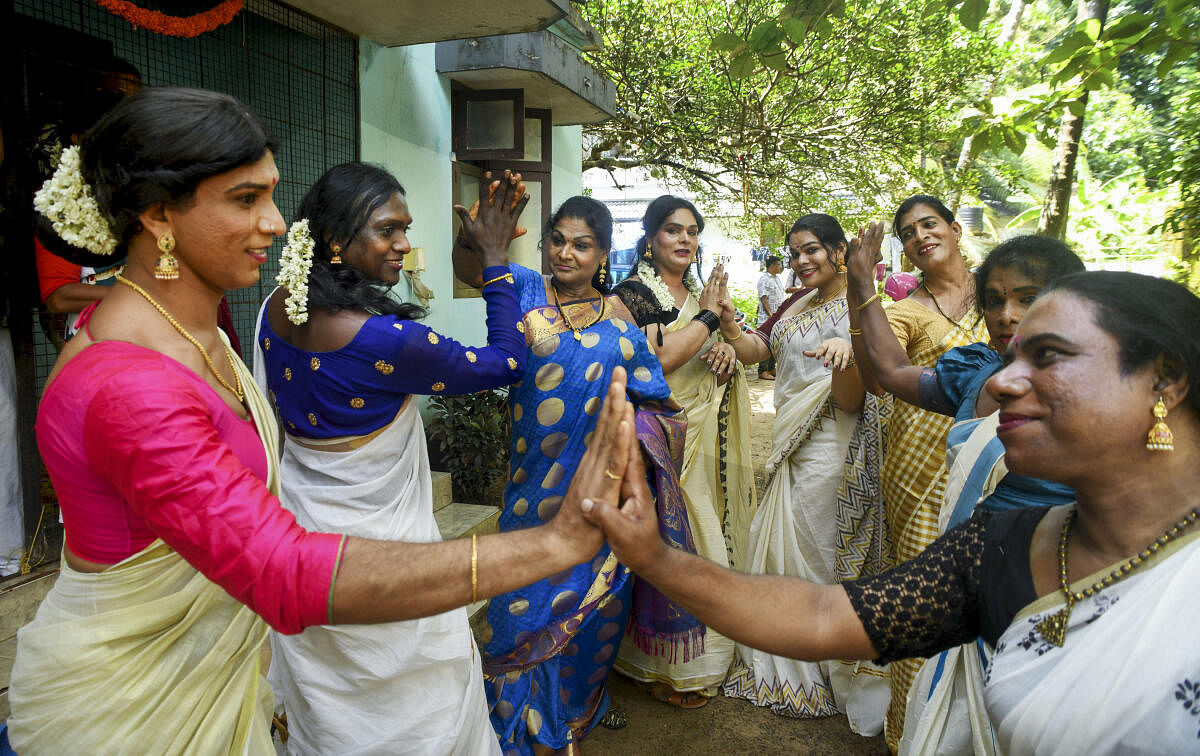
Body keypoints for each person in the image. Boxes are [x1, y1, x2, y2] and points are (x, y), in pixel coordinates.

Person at [8, 86, 639, 754]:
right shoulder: (129, 385)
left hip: (210, 677)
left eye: (273, 196)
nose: (278, 224)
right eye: (245, 199)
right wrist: (551, 544)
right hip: (139, 705)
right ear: (160, 217)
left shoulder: (214, 331)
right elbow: (282, 573)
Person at [586, 269, 1200, 755]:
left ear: (1165, 380)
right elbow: (826, 614)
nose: (1007, 383)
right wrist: (654, 557)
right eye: (1012, 357)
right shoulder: (1010, 542)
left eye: (1048, 357)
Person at [251, 162, 528, 753]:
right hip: (389, 553)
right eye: (387, 230)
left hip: (306, 538)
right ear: (334, 240)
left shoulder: (276, 307)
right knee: (419, 698)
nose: (404, 243)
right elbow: (505, 360)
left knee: (328, 696)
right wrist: (495, 260)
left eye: (405, 228)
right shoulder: (388, 341)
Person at [451, 195, 697, 753]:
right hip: (528, 497)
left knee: (592, 622)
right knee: (517, 616)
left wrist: (633, 445)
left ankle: (570, 719)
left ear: (604, 255)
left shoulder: (621, 325)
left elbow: (657, 406)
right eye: (557, 240)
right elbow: (468, 268)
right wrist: (481, 240)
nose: (566, 252)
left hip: (593, 502)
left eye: (581, 244)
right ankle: (519, 729)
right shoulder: (523, 288)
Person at [846, 230, 1085, 752]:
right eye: (995, 300)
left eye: (1027, 297)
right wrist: (861, 282)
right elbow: (889, 372)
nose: (1006, 313)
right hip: (966, 612)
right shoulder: (976, 376)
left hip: (1051, 619)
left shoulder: (1100, 397)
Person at [715, 213, 889, 730]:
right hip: (793, 452)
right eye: (794, 253)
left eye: (812, 250)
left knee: (819, 551)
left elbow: (869, 382)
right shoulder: (794, 304)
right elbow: (758, 350)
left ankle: (831, 665)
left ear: (841, 252)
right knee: (782, 553)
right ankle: (789, 659)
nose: (801, 261)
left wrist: (852, 352)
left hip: (835, 447)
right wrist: (728, 325)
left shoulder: (867, 307)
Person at [842, 196, 988, 749]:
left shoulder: (999, 296)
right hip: (919, 476)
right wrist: (862, 292)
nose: (919, 236)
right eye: (907, 233)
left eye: (929, 224)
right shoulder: (902, 309)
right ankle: (911, 736)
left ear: (953, 229)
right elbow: (880, 381)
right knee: (926, 608)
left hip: (998, 474)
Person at [611, 195, 757, 707]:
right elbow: (658, 362)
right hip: (660, 438)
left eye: (692, 232)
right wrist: (710, 325)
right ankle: (659, 666)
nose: (685, 240)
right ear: (650, 239)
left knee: (701, 536)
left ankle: (696, 661)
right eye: (673, 231)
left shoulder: (699, 294)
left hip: (703, 433)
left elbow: (750, 349)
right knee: (674, 543)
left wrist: (723, 342)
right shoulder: (631, 294)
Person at [755, 255, 785, 379]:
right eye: (778, 264)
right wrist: (770, 315)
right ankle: (762, 370)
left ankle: (771, 368)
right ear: (772, 266)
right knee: (766, 342)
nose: (781, 267)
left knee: (775, 342)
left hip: (777, 316)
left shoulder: (777, 278)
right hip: (767, 317)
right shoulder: (764, 279)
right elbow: (764, 298)